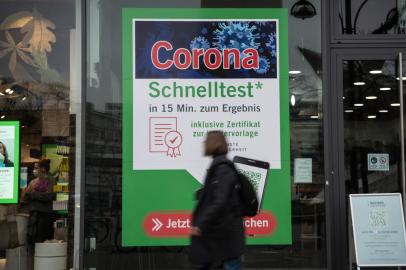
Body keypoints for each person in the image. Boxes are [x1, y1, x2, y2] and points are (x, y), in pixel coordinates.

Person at [190, 131, 245, 270]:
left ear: (213, 144)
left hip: (226, 241)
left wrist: (200, 224)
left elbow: (220, 201)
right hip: (220, 240)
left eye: (206, 141)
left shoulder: (223, 169)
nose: (203, 144)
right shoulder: (218, 167)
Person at [21, 158, 56, 243]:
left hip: (46, 215)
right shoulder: (33, 182)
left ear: (43, 169)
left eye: (36, 168)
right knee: (32, 237)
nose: (34, 170)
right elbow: (24, 198)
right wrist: (25, 194)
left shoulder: (51, 180)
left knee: (43, 239)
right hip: (34, 214)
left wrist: (34, 194)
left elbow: (50, 196)